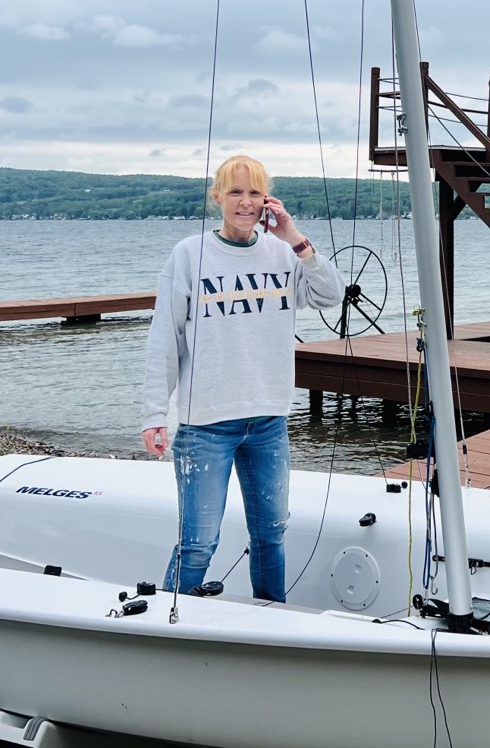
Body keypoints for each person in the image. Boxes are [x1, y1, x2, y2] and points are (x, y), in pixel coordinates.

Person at [141, 155, 345, 601]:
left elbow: (329, 295)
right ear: (217, 196)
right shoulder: (190, 255)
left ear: (267, 199)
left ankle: (271, 623)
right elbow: (165, 340)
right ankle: (171, 625)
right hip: (206, 425)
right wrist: (155, 414)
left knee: (271, 536)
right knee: (199, 543)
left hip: (268, 422)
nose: (245, 202)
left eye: (255, 192)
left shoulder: (281, 253)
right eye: (235, 192)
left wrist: (293, 237)